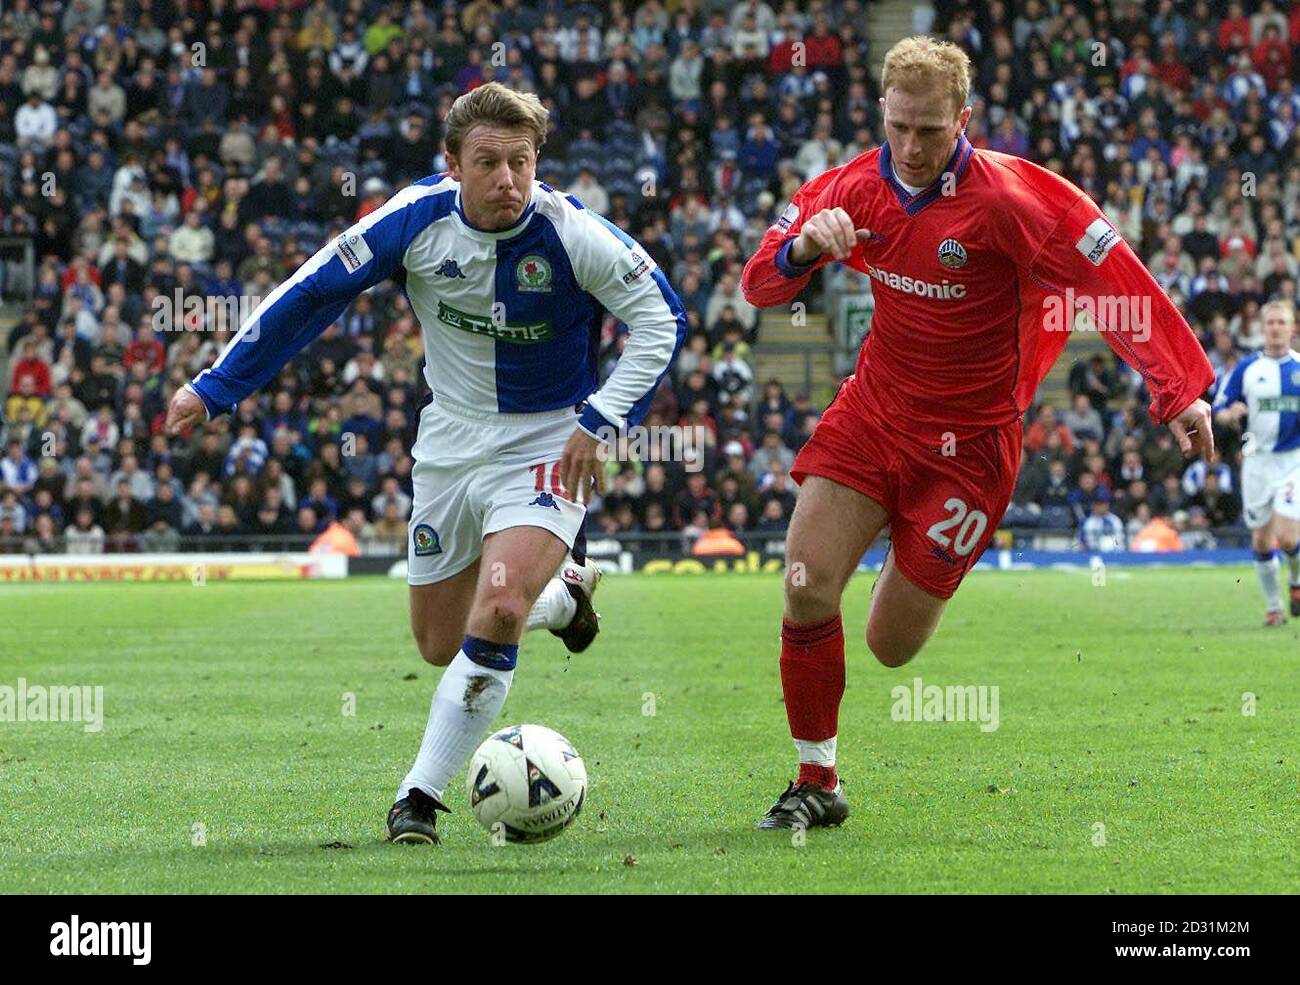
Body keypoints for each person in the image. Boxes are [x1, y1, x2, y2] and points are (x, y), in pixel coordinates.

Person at [164, 83, 686, 845]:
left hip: (547, 441)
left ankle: (419, 795)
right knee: (442, 642)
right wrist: (215, 387)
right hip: (449, 443)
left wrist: (601, 420)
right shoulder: (414, 220)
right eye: (488, 163)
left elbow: (662, 316)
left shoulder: (574, 234)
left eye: (522, 162)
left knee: (500, 609)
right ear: (453, 165)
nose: (508, 179)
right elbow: (312, 293)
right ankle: (566, 599)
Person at [739, 37, 1216, 831]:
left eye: (931, 129)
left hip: (972, 450)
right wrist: (800, 247)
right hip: (874, 414)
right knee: (803, 584)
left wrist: (1180, 388)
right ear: (881, 114)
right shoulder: (853, 187)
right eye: (899, 127)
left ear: (965, 117)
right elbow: (759, 282)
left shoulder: (1017, 201)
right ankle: (815, 779)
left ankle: (917, 546)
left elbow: (1115, 278)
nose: (914, 147)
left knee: (891, 645)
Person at [1213, 300, 1300, 626]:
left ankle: (1295, 581)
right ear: (1263, 329)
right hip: (1256, 462)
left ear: (1292, 328)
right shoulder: (1247, 368)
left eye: (1282, 322)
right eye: (1271, 323)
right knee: (1262, 540)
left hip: (1293, 462)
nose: (1276, 328)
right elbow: (1220, 407)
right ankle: (1274, 608)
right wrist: (1229, 414)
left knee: (1289, 537)